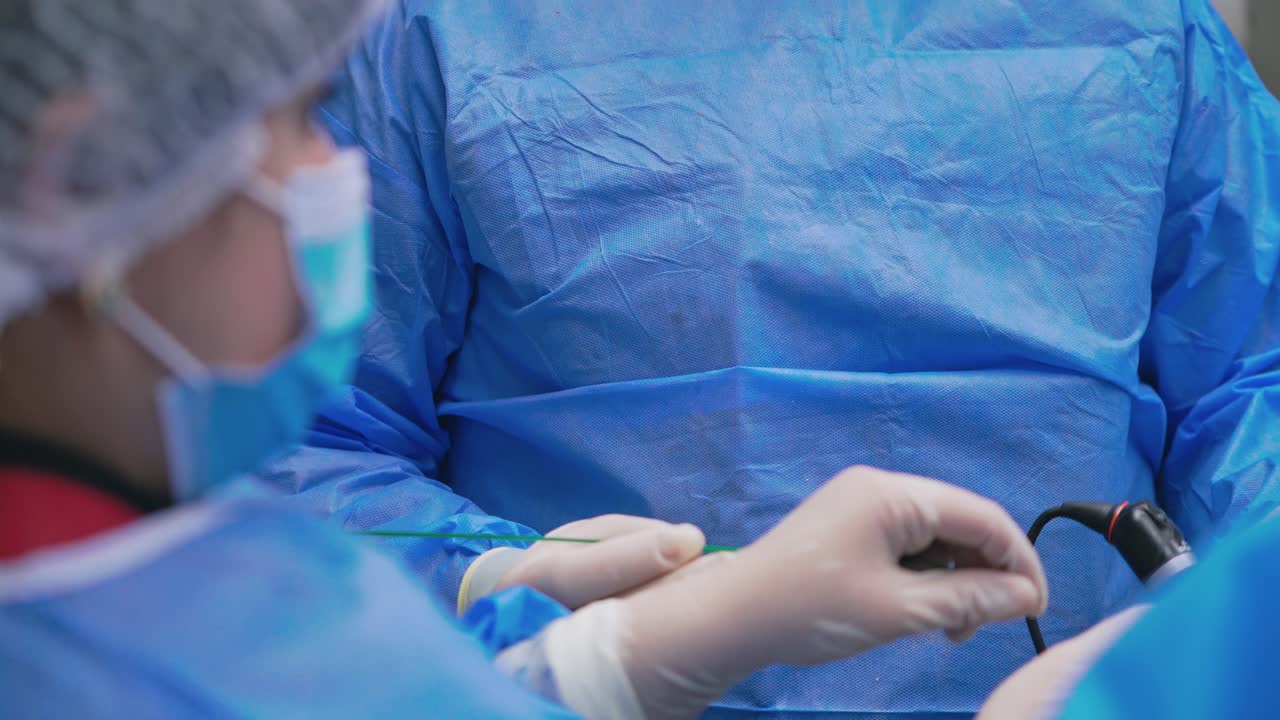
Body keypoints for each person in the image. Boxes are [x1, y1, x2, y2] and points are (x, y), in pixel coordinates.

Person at [0, 2, 1050, 718]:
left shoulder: (147, 571)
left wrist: (590, 640)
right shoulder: (107, 652)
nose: (334, 170)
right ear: (79, 177)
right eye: (301, 114)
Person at [260, 0, 1280, 716]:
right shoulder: (438, 35)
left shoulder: (1141, 27)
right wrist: (488, 580)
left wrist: (1216, 637)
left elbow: (1253, 382)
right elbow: (296, 437)